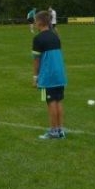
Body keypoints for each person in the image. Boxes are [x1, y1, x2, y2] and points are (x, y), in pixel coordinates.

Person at [32, 10, 68, 139]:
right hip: (60, 74)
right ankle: (60, 129)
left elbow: (36, 60)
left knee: (51, 102)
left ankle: (53, 131)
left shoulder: (38, 39)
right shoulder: (55, 36)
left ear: (40, 22)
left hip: (48, 76)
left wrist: (35, 77)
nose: (34, 24)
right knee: (58, 101)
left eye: (35, 21)